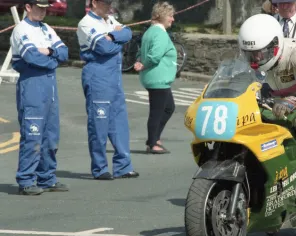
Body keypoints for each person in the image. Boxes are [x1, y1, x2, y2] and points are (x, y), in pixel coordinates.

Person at [10, 0, 69, 195]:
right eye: (39, 7)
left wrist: (50, 51)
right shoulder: (21, 29)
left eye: (45, 7)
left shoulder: (47, 29)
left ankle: (47, 178)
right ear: (28, 7)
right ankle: (26, 180)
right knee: (32, 134)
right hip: (32, 84)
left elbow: (64, 52)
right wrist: (52, 59)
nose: (43, 11)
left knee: (51, 136)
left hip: (50, 86)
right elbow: (31, 57)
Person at [76, 0, 139, 180]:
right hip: (98, 74)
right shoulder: (86, 23)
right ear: (94, 3)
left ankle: (123, 166)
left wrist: (111, 37)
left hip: (114, 76)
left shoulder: (110, 20)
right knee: (99, 122)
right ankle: (100, 167)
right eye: (105, 3)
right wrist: (116, 39)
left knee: (119, 120)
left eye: (110, 3)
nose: (109, 6)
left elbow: (128, 33)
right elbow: (103, 47)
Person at [238, 13, 296, 130]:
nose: (255, 59)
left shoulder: (295, 55)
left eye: (259, 53)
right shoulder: (251, 60)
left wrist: (293, 102)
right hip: (274, 106)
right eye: (250, 54)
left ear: (275, 46)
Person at [134, 1, 177, 154]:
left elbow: (141, 51)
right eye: (170, 16)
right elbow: (155, 55)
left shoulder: (150, 31)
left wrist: (140, 61)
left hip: (157, 79)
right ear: (162, 16)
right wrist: (144, 64)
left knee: (169, 108)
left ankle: (155, 137)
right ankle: (152, 143)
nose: (172, 19)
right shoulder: (159, 33)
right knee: (157, 111)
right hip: (158, 78)